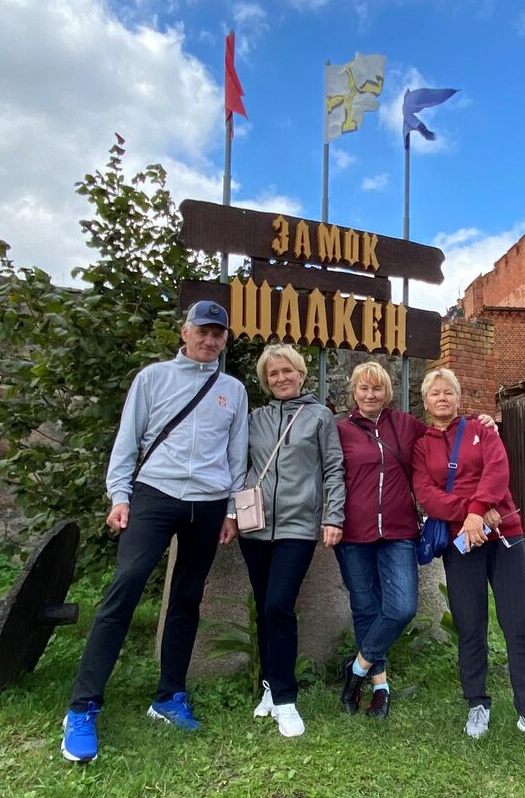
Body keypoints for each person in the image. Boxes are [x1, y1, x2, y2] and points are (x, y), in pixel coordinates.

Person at [60, 301, 249, 764]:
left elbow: (236, 453)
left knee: (187, 599)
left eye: (218, 334)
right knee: (124, 589)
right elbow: (128, 441)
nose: (209, 341)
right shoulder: (152, 379)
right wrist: (119, 496)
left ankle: (169, 697)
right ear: (184, 333)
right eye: (202, 332)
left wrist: (230, 510)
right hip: (155, 494)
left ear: (225, 339)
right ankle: (83, 707)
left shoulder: (233, 390)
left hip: (207, 504)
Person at [411, 367, 525, 752]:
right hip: (462, 542)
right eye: (435, 394)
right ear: (426, 401)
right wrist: (474, 513)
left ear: (458, 396)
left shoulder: (482, 431)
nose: (442, 398)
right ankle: (477, 702)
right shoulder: (421, 445)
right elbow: (426, 494)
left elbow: (498, 472)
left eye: (448, 392)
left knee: (518, 623)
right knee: (470, 624)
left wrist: (477, 512)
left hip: (504, 538)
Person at [334, 362, 494, 719]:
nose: (370, 395)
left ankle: (356, 668)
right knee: (365, 608)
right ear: (354, 392)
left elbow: (445, 435)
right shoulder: (340, 430)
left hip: (399, 531)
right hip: (353, 533)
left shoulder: (405, 425)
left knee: (403, 607)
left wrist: (480, 424)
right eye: (363, 389)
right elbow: (330, 475)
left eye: (377, 389)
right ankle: (379, 686)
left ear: (388, 393)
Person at [242, 344, 345, 738]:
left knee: (279, 605)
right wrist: (233, 515)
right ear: (265, 381)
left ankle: (285, 697)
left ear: (301, 374)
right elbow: (240, 467)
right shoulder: (255, 419)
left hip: (298, 528)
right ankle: (270, 686)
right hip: (255, 528)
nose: (281, 378)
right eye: (273, 374)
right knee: (265, 608)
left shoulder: (319, 417)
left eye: (287, 371)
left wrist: (332, 516)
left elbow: (334, 469)